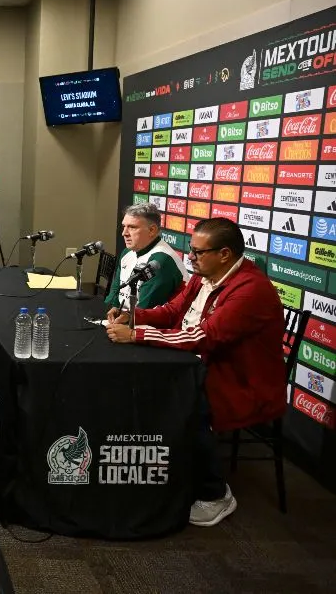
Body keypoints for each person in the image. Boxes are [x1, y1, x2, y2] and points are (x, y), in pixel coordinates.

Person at [106, 218, 285, 528]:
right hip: (202, 363)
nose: (190, 257)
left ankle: (217, 494)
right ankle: (168, 471)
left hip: (239, 381)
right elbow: (174, 312)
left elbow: (204, 336)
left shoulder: (250, 290)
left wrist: (137, 335)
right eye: (191, 250)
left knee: (185, 400)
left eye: (198, 252)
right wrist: (133, 316)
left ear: (225, 254)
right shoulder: (205, 275)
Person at [104, 202, 187, 310]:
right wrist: (111, 309)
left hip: (147, 323)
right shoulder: (127, 252)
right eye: (124, 226)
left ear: (152, 230)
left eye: (132, 227)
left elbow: (145, 311)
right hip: (125, 317)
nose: (124, 233)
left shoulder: (161, 261)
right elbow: (115, 291)